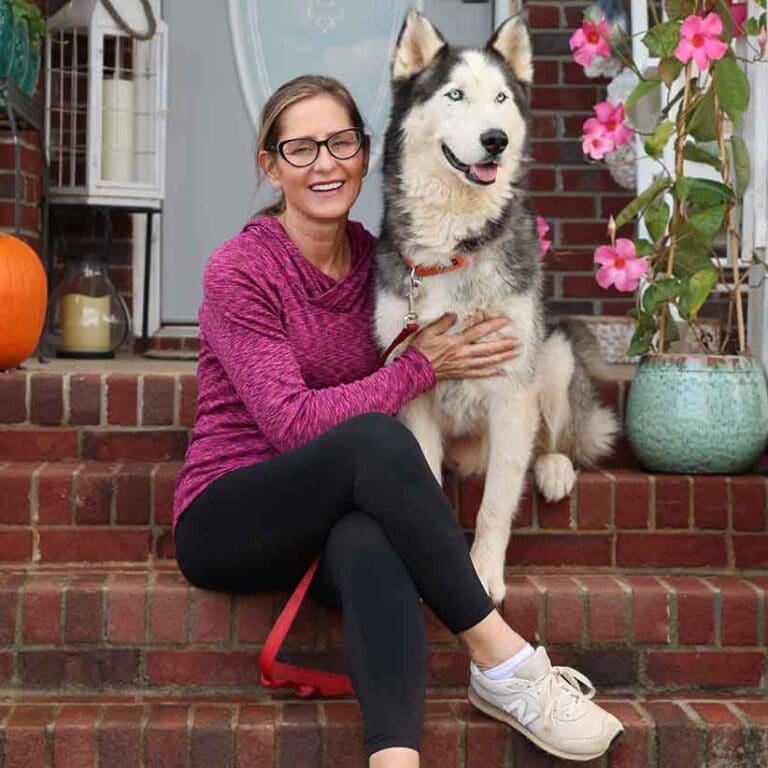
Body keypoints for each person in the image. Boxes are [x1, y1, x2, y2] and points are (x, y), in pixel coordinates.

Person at [172, 74, 623, 768]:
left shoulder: (385, 261)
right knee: (379, 440)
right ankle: (507, 665)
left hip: (330, 515)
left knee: (372, 544)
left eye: (341, 142)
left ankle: (395, 759)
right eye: (300, 149)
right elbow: (293, 424)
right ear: (269, 165)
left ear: (364, 152)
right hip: (233, 510)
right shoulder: (242, 269)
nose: (325, 163)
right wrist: (418, 368)